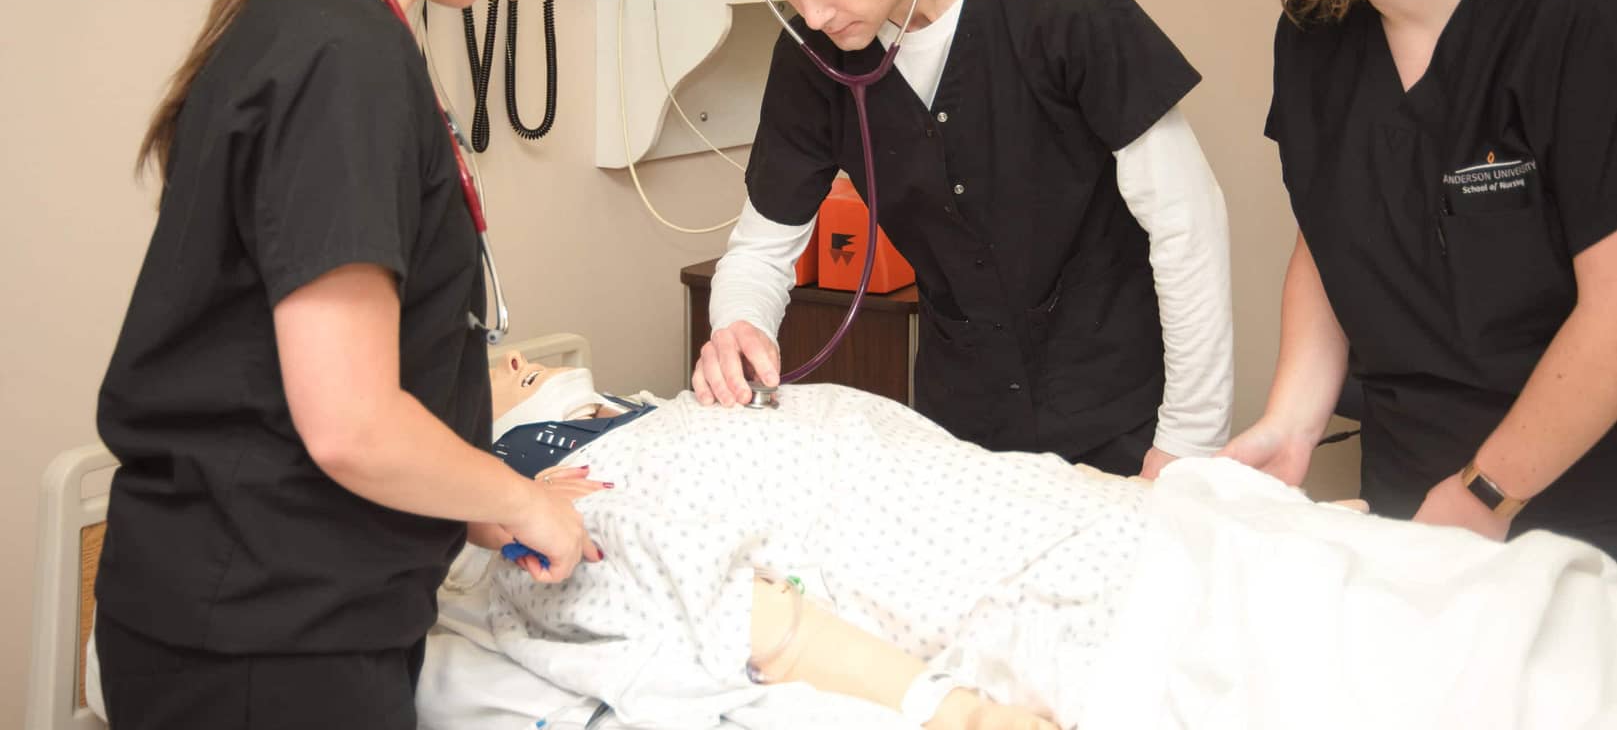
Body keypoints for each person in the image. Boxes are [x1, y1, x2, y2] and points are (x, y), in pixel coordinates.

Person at [93, 0, 602, 730]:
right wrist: (517, 498)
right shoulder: (345, 58)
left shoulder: (311, 18)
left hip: (250, 605)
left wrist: (467, 495)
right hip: (263, 642)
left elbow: (292, 386)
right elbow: (350, 423)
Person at [463, 363, 1617, 730]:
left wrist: (1132, 483)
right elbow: (755, 623)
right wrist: (949, 711)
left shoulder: (722, 400)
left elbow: (921, 448)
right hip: (1055, 597)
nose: (512, 359)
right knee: (1416, 667)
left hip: (1105, 514)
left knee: (1452, 595)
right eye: (499, 368)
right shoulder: (556, 511)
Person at [691, 0, 1234, 478]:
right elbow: (762, 250)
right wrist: (737, 325)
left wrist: (1187, 444)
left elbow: (1188, 221)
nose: (816, 15)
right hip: (960, 420)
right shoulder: (811, 56)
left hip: (1122, 409)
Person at [1219, 0, 1617, 555]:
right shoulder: (1317, 30)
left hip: (1580, 487)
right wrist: (1292, 420)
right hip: (1415, 481)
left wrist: (1488, 489)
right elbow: (1330, 232)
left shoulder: (1578, 10)